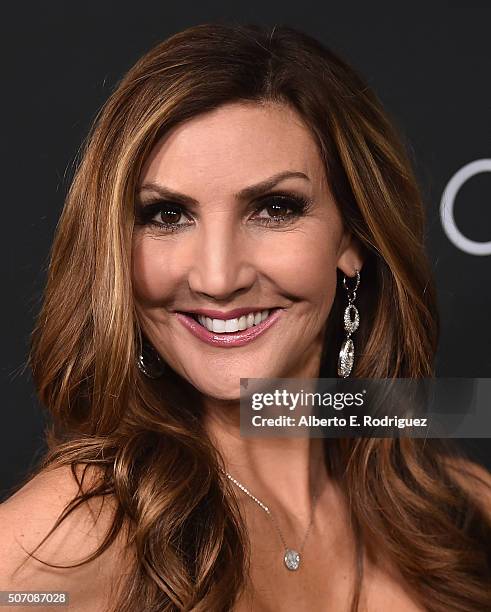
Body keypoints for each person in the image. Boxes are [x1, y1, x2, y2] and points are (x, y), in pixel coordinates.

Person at [1, 22, 490, 612]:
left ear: (352, 237)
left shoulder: (463, 514)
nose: (216, 277)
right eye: (166, 215)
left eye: (274, 208)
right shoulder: (75, 535)